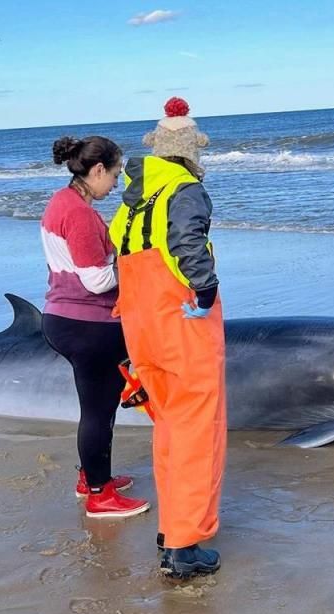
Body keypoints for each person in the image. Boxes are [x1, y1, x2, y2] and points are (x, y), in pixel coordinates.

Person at [110, 98, 224, 578]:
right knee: (199, 434)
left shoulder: (132, 203)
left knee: (170, 433)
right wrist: (206, 291)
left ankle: (168, 532)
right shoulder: (184, 190)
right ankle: (184, 546)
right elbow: (188, 245)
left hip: (142, 330)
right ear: (190, 152)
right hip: (183, 326)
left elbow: (120, 260)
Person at [42, 135, 149, 519]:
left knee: (95, 409)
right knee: (98, 412)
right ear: (98, 170)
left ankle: (91, 479)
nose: (118, 182)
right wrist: (136, 263)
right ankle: (100, 496)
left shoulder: (61, 201)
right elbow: (97, 281)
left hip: (62, 316)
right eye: (116, 174)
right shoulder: (81, 215)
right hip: (85, 322)